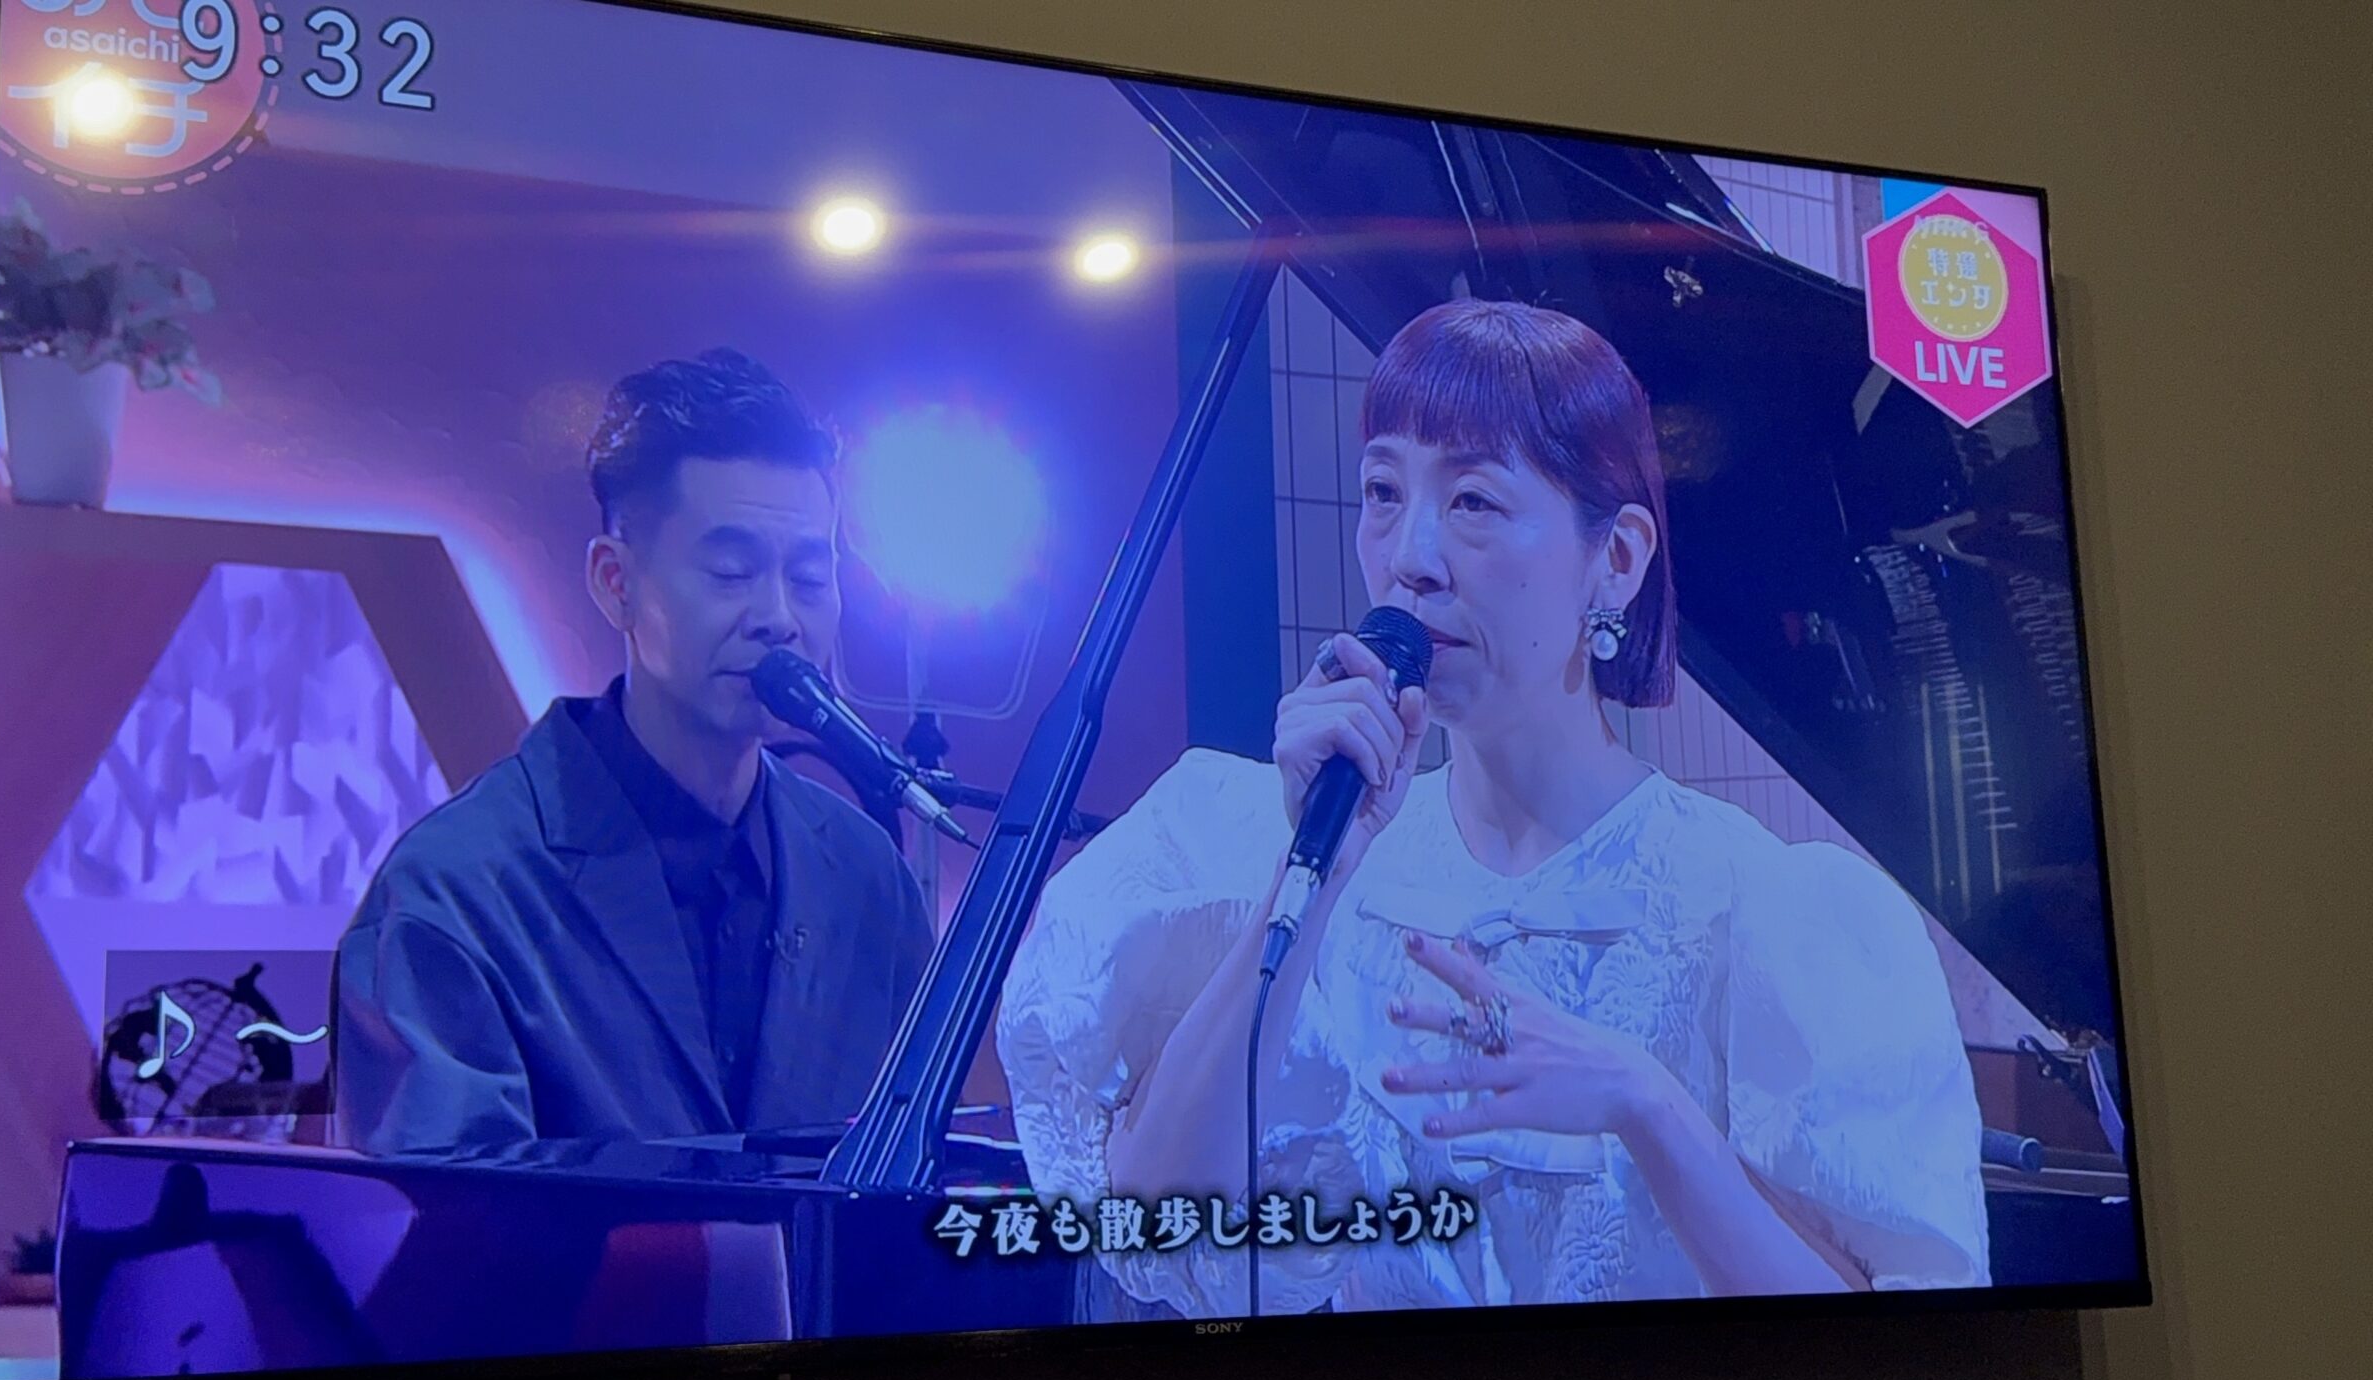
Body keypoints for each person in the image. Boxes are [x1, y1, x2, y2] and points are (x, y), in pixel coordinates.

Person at [998, 301, 1987, 1316]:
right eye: (1382, 492)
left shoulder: (1769, 906)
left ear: (1617, 559)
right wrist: (1314, 874)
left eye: (1472, 500)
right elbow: (1162, 1228)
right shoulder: (1296, 855)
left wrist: (1646, 1103)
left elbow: (1888, 1352)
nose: (1410, 556)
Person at [333, 349, 933, 1153]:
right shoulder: (456, 889)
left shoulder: (867, 876)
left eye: (808, 578)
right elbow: (443, 1215)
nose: (778, 618)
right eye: (731, 572)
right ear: (616, 583)